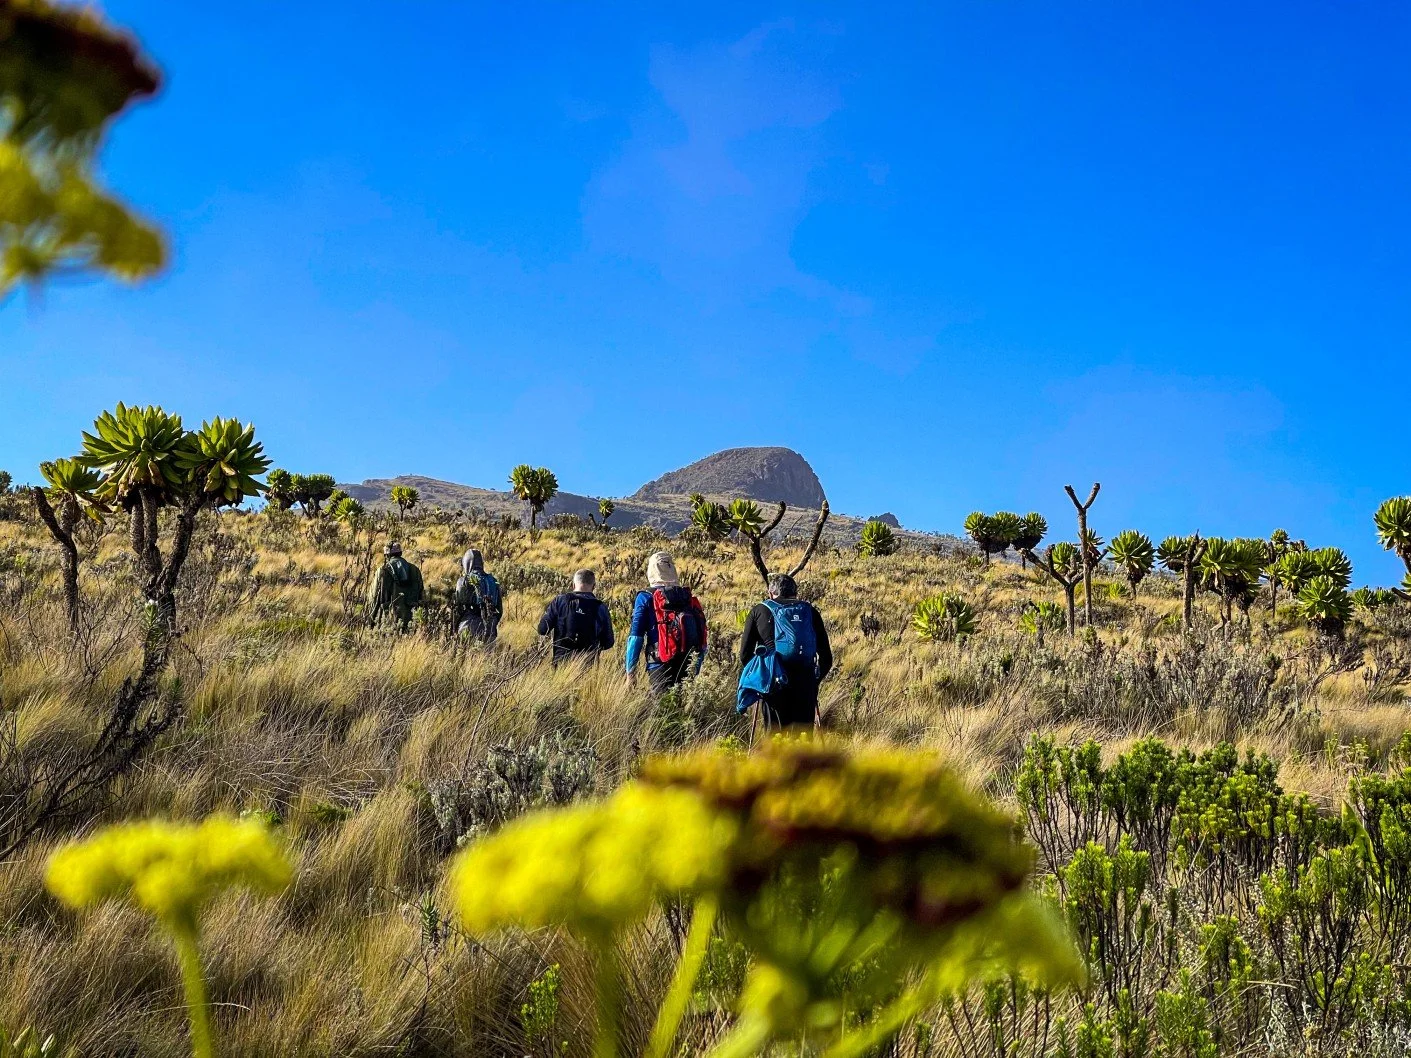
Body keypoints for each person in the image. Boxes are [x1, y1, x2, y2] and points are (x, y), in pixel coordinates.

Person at [738, 573, 833, 729]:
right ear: (796, 593)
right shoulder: (810, 612)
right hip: (805, 684)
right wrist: (814, 681)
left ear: (770, 593)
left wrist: (761, 679)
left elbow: (744, 654)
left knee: (775, 740)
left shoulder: (759, 610)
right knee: (802, 742)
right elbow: (826, 658)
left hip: (774, 684)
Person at [625, 551, 707, 693]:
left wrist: (630, 673)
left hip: (659, 662)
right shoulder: (686, 596)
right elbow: (701, 634)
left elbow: (635, 637)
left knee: (662, 709)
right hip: (688, 661)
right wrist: (697, 666)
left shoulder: (645, 597)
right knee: (684, 707)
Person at [538, 569, 615, 664]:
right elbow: (608, 642)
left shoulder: (560, 601)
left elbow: (542, 629)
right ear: (594, 586)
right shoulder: (601, 607)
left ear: (573, 585)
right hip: (589, 665)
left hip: (561, 662)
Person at [367, 542, 424, 632]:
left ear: (386, 555)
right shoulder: (415, 570)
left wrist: (370, 621)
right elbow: (421, 595)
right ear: (400, 553)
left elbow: (373, 597)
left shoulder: (382, 570)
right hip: (411, 619)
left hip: (387, 620)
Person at [453, 548, 503, 642]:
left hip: (467, 628)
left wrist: (454, 628)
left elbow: (457, 608)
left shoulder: (463, 581)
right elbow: (499, 610)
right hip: (490, 631)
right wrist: (491, 624)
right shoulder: (493, 581)